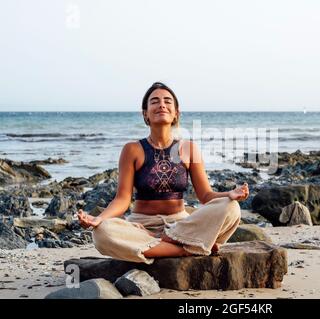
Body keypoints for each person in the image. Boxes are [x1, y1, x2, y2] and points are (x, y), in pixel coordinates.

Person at [77, 82, 249, 264]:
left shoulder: (188, 148)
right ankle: (185, 249)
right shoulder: (132, 149)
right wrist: (99, 218)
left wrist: (229, 194)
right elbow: (122, 199)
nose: (161, 105)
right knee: (102, 234)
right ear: (145, 114)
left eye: (167, 101)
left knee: (231, 208)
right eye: (154, 102)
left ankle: (167, 243)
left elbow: (206, 196)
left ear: (176, 113)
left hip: (180, 226)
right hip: (141, 226)